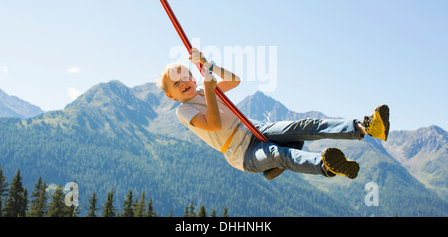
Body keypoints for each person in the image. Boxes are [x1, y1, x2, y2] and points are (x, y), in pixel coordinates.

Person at [156, 48, 390, 180]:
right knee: (277, 153)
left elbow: (235, 81)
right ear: (171, 96)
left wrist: (209, 65)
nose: (183, 82)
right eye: (176, 83)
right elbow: (214, 125)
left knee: (303, 125)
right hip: (242, 153)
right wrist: (209, 89)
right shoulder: (184, 110)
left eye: (185, 75)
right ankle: (326, 164)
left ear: (192, 75)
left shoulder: (202, 87)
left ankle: (364, 127)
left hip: (254, 128)